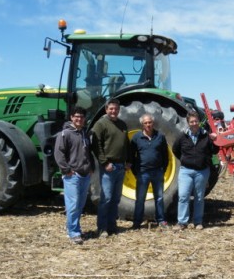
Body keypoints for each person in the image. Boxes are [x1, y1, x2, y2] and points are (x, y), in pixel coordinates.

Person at [54, 106, 95, 245]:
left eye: (82, 117)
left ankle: (75, 229)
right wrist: (67, 170)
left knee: (80, 204)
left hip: (85, 174)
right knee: (73, 205)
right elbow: (58, 154)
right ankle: (74, 233)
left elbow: (88, 153)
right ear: (71, 117)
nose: (79, 119)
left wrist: (91, 168)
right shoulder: (65, 134)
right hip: (73, 175)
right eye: (76, 116)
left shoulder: (84, 133)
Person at [172, 111, 218, 230]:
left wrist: (214, 140)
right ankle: (182, 222)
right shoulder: (182, 136)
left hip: (201, 171)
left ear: (199, 122)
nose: (194, 123)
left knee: (199, 197)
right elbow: (175, 150)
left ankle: (197, 221)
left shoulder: (205, 136)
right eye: (191, 121)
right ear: (188, 123)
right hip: (186, 171)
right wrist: (185, 159)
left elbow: (214, 151)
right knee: (183, 196)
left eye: (196, 121)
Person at [91, 98, 130, 238]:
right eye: (111, 109)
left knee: (116, 198)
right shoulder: (101, 124)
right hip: (109, 166)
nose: (114, 111)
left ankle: (112, 226)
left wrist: (128, 161)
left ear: (119, 110)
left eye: (116, 109)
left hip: (120, 166)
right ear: (106, 109)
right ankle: (102, 228)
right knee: (106, 198)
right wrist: (104, 162)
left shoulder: (122, 124)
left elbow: (126, 145)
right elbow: (96, 144)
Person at [129, 113, 169, 229]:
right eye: (145, 123)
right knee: (140, 198)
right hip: (143, 173)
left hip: (157, 172)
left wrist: (163, 169)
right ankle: (137, 222)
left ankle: (161, 220)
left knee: (159, 198)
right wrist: (136, 171)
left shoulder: (160, 136)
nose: (148, 125)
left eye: (150, 122)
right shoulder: (136, 137)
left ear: (153, 123)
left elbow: (165, 155)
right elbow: (131, 156)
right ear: (142, 124)